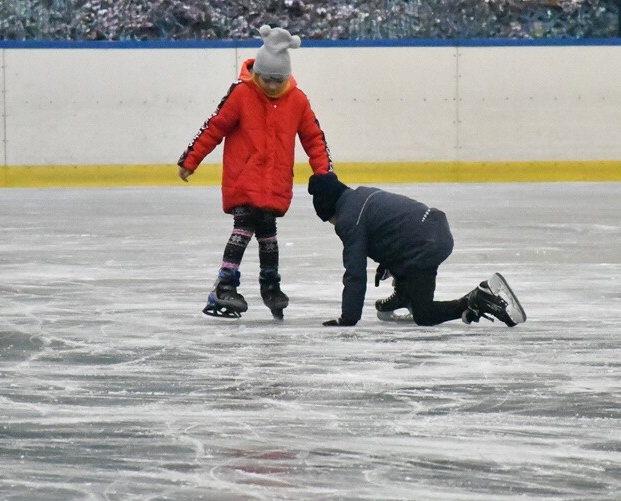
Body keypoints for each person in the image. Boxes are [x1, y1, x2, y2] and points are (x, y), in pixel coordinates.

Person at [178, 25, 333, 319]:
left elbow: (314, 138)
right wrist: (191, 159)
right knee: (244, 227)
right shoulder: (240, 94)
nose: (272, 86)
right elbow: (215, 127)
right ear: (256, 73)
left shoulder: (298, 101)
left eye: (279, 80)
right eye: (266, 79)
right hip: (243, 179)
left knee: (268, 235)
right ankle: (224, 284)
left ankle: (270, 285)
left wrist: (324, 173)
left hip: (275, 183)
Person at [306, 172, 526, 328]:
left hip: (423, 247)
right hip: (434, 229)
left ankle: (477, 299)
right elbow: (393, 228)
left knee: (425, 315)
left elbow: (355, 272)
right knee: (405, 267)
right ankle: (404, 295)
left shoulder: (348, 219)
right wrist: (388, 262)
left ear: (329, 211)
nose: (335, 225)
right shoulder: (362, 195)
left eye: (330, 221)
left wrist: (348, 318)